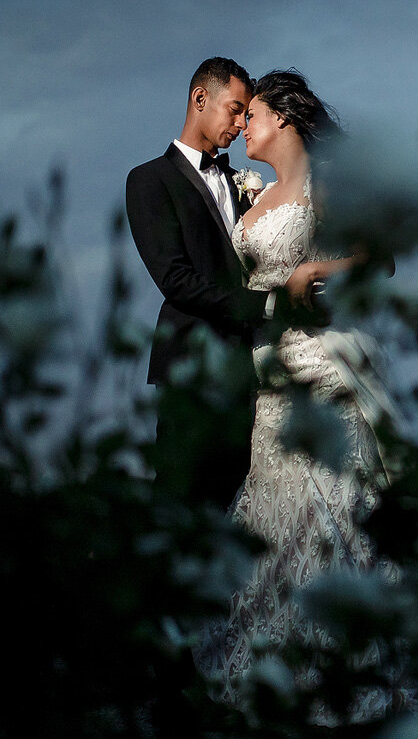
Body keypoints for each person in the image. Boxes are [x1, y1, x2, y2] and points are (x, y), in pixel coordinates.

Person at [197, 68, 411, 721]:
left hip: (323, 367)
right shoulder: (253, 196)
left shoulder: (325, 185)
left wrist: (324, 270)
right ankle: (271, 655)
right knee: (270, 512)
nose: (243, 129)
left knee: (334, 508)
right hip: (270, 376)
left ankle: (348, 650)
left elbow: (381, 258)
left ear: (284, 118)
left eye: (252, 116)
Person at [126, 57, 312, 510]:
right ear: (199, 98)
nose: (240, 123)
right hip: (194, 375)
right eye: (234, 109)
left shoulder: (246, 184)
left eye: (247, 114)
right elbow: (176, 280)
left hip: (255, 379)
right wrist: (271, 305)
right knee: (180, 511)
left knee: (243, 519)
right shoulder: (150, 180)